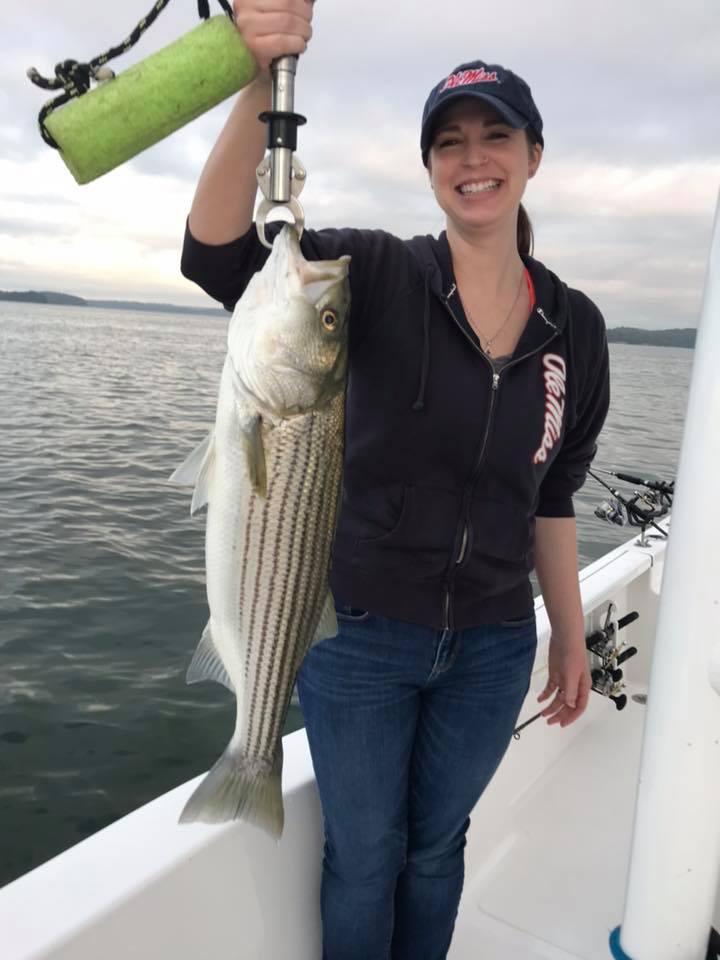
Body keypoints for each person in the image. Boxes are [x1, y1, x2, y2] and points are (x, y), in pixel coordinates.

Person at [180, 2, 610, 957]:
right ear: (430, 169)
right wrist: (259, 79)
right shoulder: (370, 274)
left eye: (496, 134)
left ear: (532, 155)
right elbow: (216, 255)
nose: (474, 156)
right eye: (450, 141)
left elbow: (552, 494)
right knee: (366, 854)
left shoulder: (573, 328)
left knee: (436, 848)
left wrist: (569, 640)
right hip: (361, 638)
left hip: (496, 647)